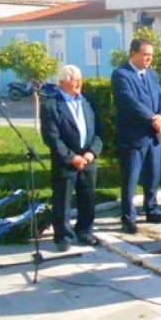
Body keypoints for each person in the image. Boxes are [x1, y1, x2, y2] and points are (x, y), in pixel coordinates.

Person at [111, 38, 161, 233]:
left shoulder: (152, 74)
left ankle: (152, 209)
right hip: (134, 136)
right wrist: (151, 118)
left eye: (151, 55)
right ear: (133, 54)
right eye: (146, 55)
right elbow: (129, 101)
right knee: (131, 178)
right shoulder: (121, 74)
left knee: (153, 174)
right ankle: (128, 217)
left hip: (154, 134)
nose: (149, 59)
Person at [40, 65, 103, 251]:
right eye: (74, 79)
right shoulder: (51, 105)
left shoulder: (87, 102)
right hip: (65, 161)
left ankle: (85, 231)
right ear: (61, 83)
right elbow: (51, 137)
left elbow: (99, 131)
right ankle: (63, 237)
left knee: (88, 197)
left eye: (80, 78)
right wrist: (72, 157)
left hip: (88, 158)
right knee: (63, 199)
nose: (78, 82)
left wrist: (92, 152)